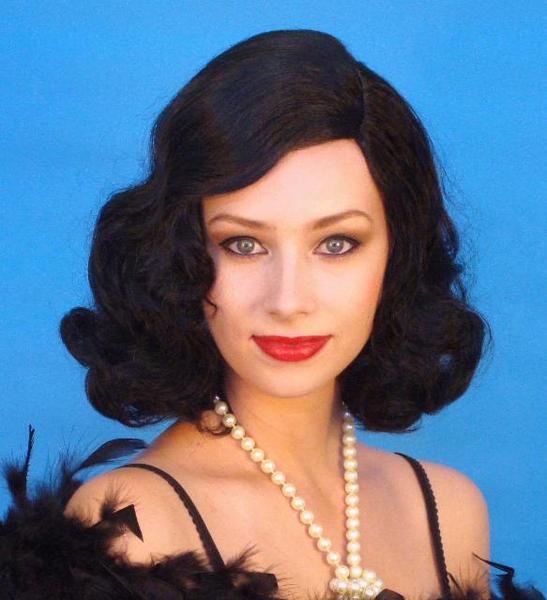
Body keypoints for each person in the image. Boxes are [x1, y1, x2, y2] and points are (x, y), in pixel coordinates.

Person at [0, 29, 543, 600]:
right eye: (243, 244)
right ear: (181, 257)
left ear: (397, 256)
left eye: (337, 243)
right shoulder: (132, 525)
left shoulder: (450, 511)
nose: (287, 300)